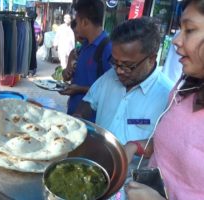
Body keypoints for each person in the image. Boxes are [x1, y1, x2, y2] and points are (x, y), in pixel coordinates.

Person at [125, 0, 204, 199]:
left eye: (190, 30)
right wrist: (135, 145)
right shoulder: (183, 89)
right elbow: (171, 142)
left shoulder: (163, 87)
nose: (176, 40)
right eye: (180, 28)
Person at [74, 17, 173, 145]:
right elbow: (89, 101)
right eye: (115, 62)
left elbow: (165, 145)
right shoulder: (109, 77)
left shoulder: (168, 97)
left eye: (128, 65)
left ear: (151, 59)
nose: (119, 71)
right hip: (99, 158)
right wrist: (78, 117)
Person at [59, 0, 112, 122]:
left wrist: (79, 89)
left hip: (91, 121)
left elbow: (109, 91)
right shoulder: (85, 45)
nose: (75, 27)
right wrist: (69, 73)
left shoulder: (108, 48)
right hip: (74, 114)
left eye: (77, 22)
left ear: (85, 22)